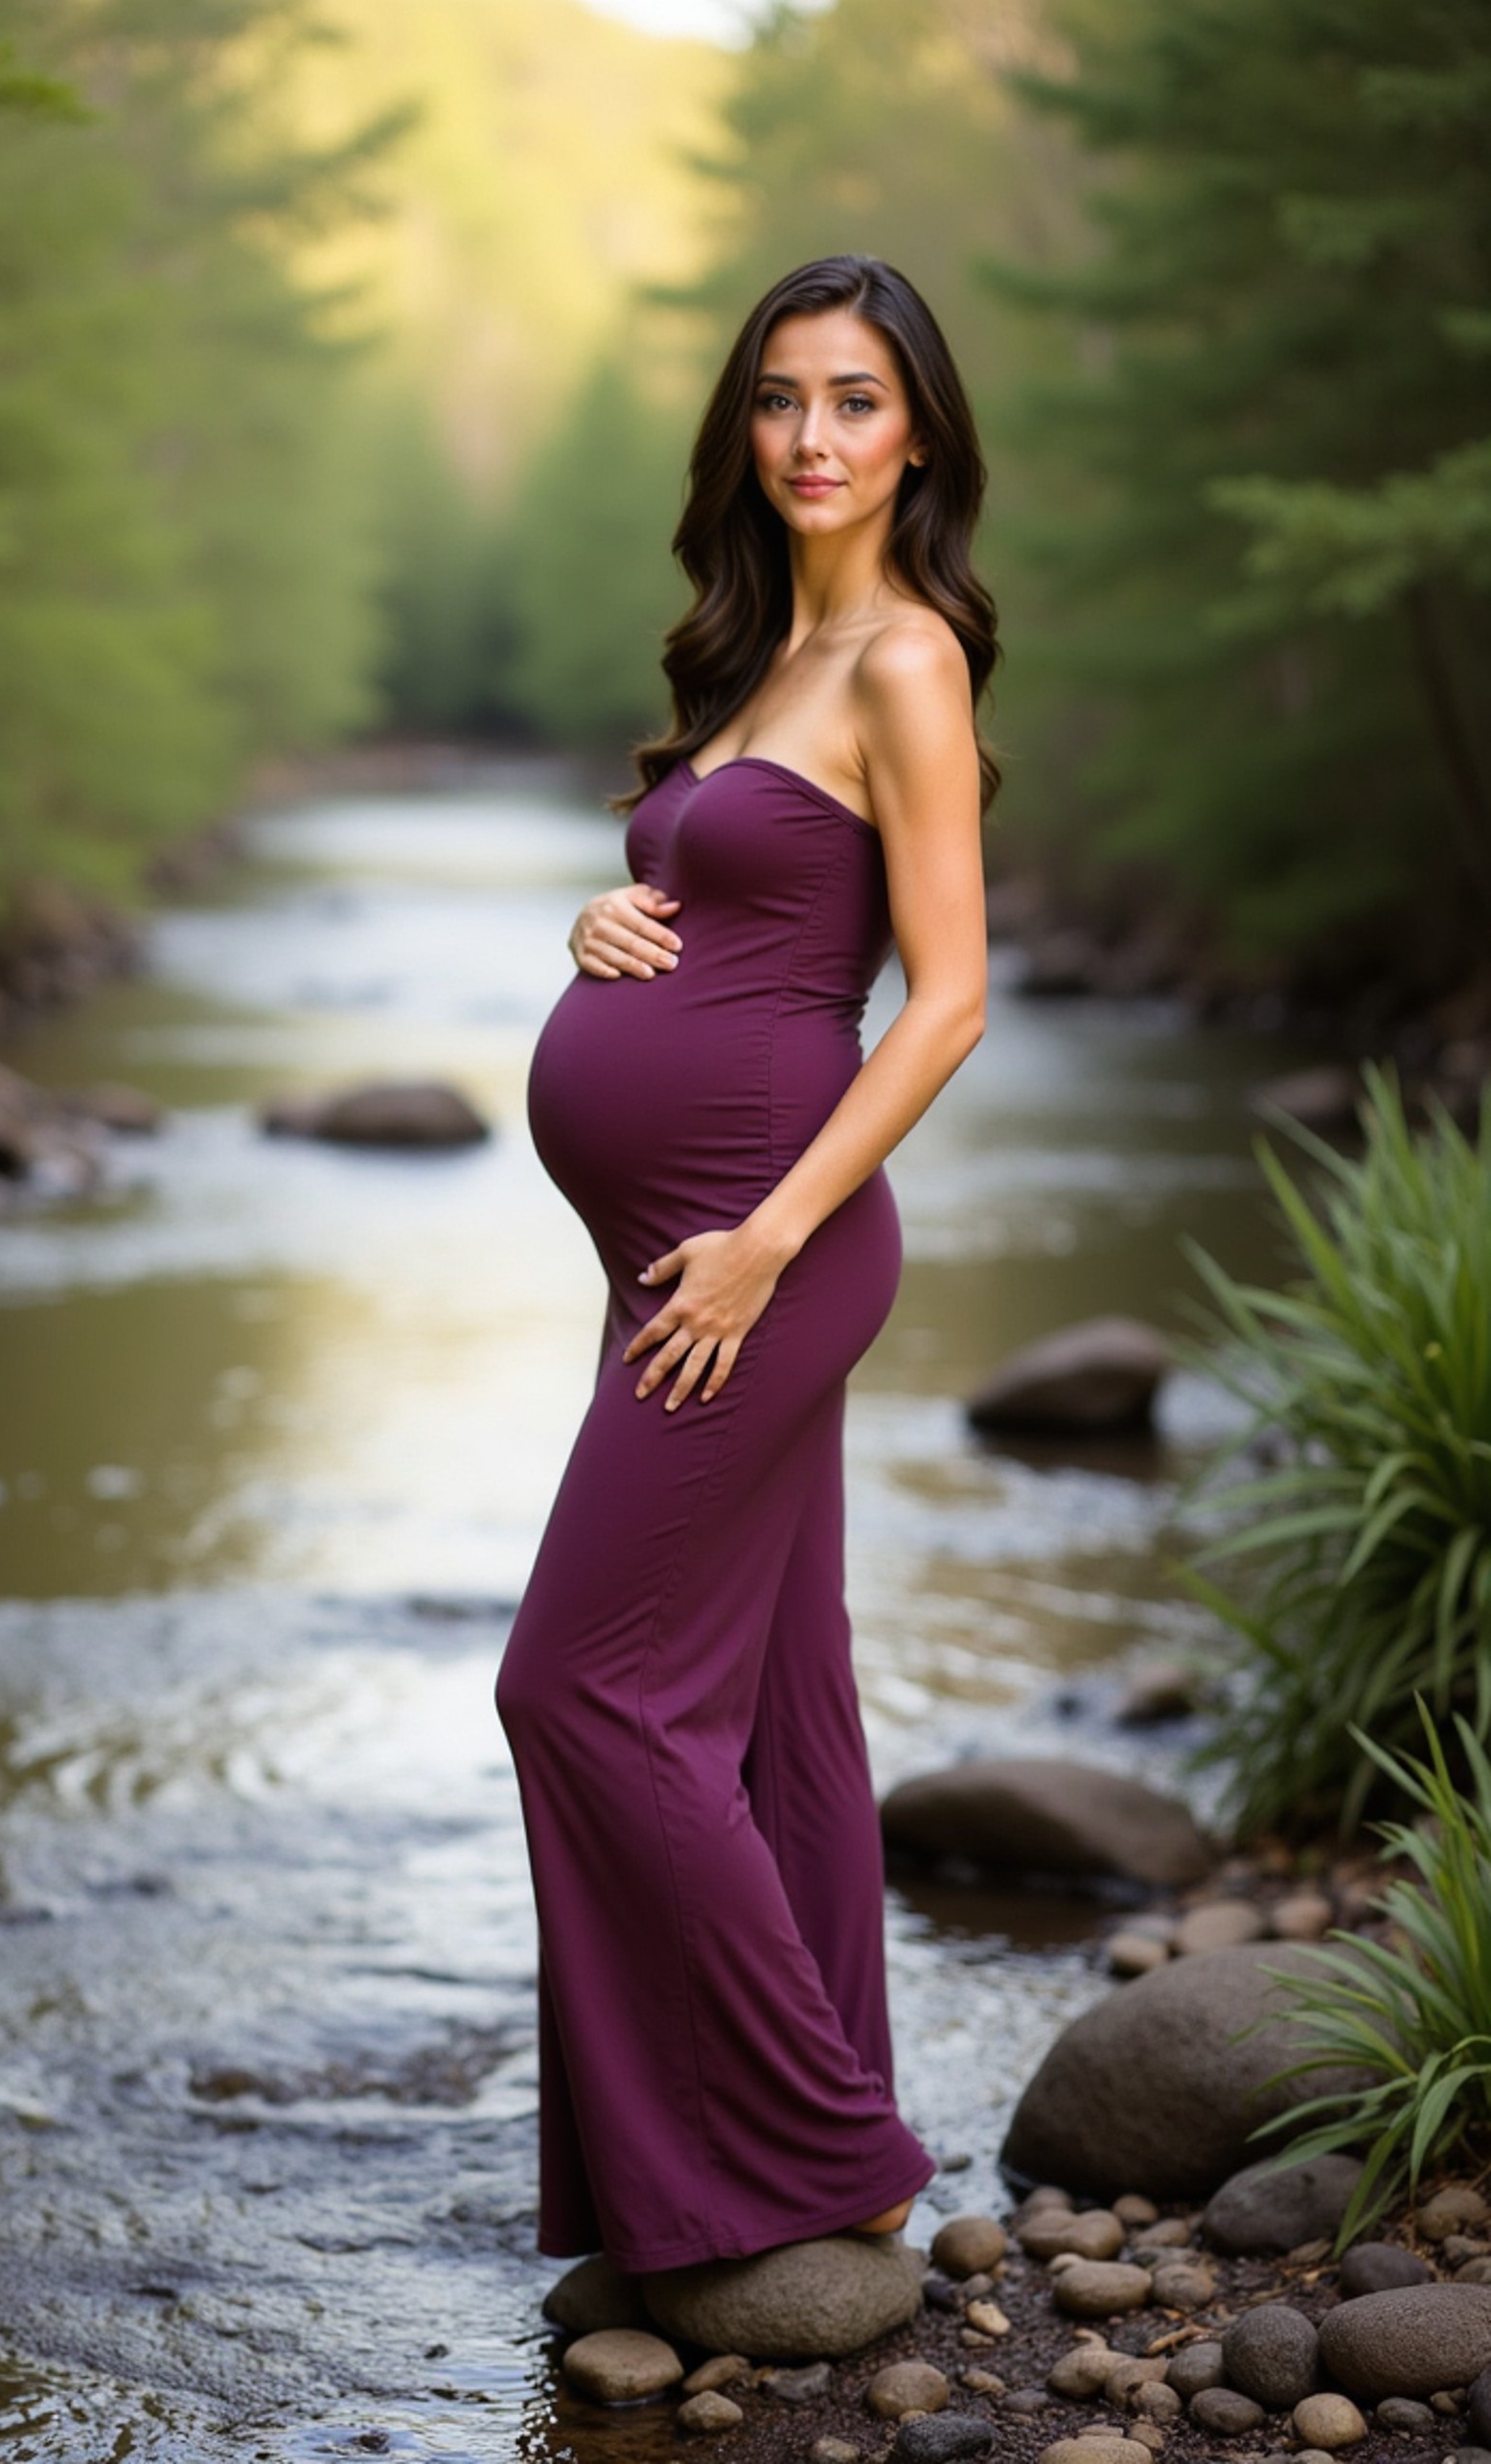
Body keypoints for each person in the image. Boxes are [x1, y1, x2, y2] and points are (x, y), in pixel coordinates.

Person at [493, 254, 995, 2280]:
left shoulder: (904, 660)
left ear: (919, 433)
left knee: (577, 1686)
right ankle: (799, 2137)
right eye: (781, 397)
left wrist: (770, 1242)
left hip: (758, 1247)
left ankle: (824, 2151)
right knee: (783, 1705)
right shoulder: (760, 657)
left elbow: (947, 1000)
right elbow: (737, 907)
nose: (812, 436)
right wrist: (602, 919)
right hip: (683, 1244)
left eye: (855, 399)